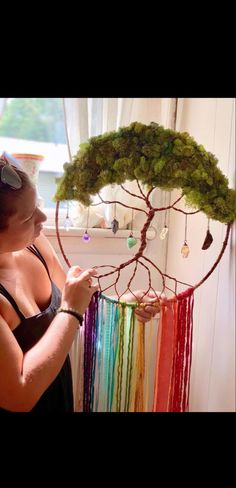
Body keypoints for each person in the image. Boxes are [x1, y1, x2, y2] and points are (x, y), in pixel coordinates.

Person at [0, 154, 161, 412]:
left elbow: (75, 314)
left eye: (38, 205)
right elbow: (19, 395)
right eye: (28, 217)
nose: (42, 218)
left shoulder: (35, 246)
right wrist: (70, 309)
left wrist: (123, 305)